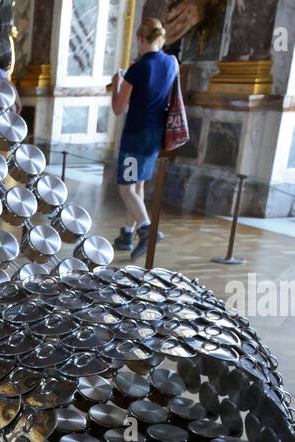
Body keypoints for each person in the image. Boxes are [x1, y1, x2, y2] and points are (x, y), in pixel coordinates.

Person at [110, 17, 177, 261]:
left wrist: (118, 83)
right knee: (138, 184)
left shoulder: (138, 69)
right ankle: (128, 233)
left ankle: (148, 230)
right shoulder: (172, 63)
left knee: (126, 188)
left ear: (140, 38)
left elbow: (118, 108)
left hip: (135, 136)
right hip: (155, 135)